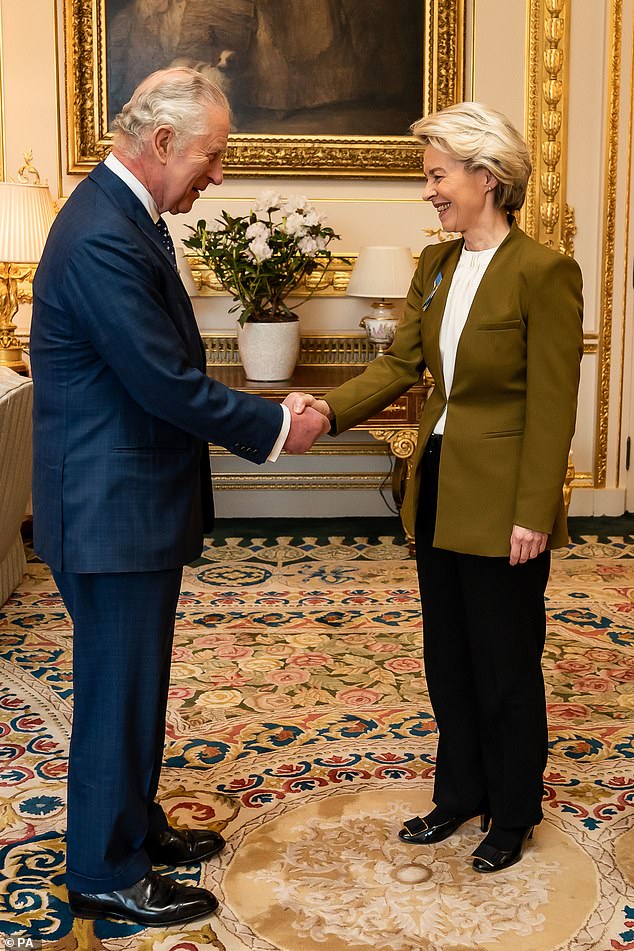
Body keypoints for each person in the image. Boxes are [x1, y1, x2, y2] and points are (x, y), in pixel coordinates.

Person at [30, 67, 328, 928]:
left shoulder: (129, 216)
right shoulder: (100, 235)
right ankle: (104, 869)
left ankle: (131, 827)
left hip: (122, 502)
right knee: (118, 691)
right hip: (108, 507)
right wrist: (276, 427)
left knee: (136, 683)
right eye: (212, 155)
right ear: (161, 144)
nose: (217, 174)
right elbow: (164, 381)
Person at [290, 101, 583, 873]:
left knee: (505, 658)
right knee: (447, 655)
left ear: (486, 176)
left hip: (504, 496)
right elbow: (400, 368)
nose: (429, 192)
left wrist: (533, 513)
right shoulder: (436, 266)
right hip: (442, 480)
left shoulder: (544, 272)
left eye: (437, 175)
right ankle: (457, 793)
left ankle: (513, 811)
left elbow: (553, 404)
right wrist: (326, 409)